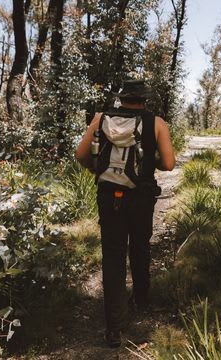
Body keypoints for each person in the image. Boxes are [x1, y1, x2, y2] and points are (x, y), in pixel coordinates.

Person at [75, 80, 175, 348]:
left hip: (109, 197)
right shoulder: (156, 123)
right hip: (140, 197)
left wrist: (101, 170)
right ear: (144, 99)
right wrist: (145, 162)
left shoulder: (101, 119)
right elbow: (168, 163)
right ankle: (140, 299)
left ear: (121, 99)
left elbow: (81, 155)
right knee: (140, 246)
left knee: (113, 255)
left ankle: (113, 327)